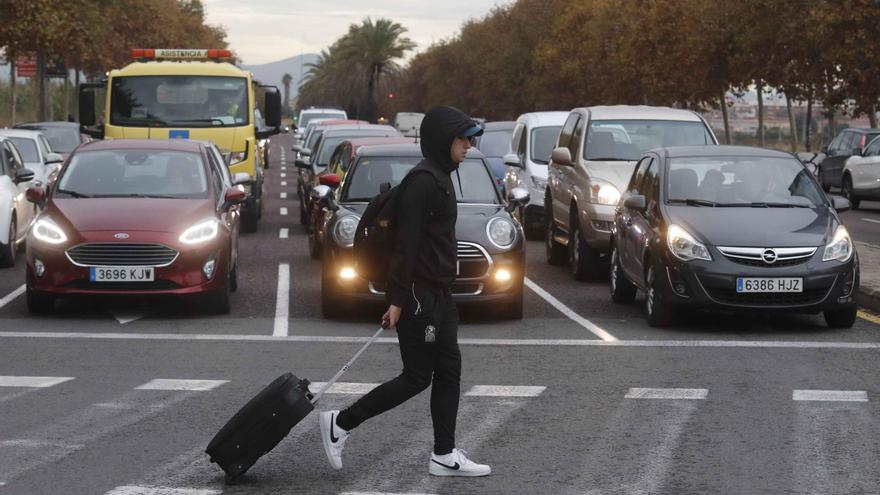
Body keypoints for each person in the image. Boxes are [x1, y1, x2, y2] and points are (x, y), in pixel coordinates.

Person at [319, 106, 491, 477]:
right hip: (419, 295)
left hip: (441, 295)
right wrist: (397, 299)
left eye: (470, 139)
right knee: (417, 376)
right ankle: (341, 422)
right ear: (445, 141)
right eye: (463, 139)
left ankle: (444, 454)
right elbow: (405, 245)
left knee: (449, 369)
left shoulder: (443, 176)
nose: (468, 146)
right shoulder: (423, 182)